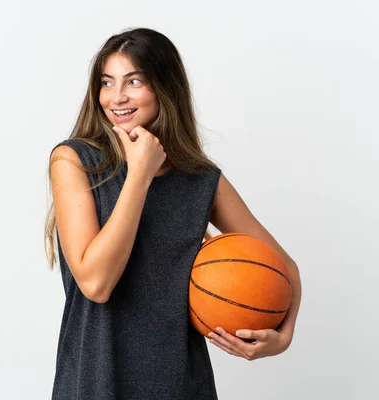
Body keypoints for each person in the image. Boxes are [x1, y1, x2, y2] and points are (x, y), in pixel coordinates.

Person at [44, 27, 302, 400]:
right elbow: (96, 284)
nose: (117, 98)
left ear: (164, 88)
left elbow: (284, 267)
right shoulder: (74, 162)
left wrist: (282, 339)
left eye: (134, 81)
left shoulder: (200, 179)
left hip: (182, 385)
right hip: (95, 381)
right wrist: (140, 175)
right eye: (107, 82)